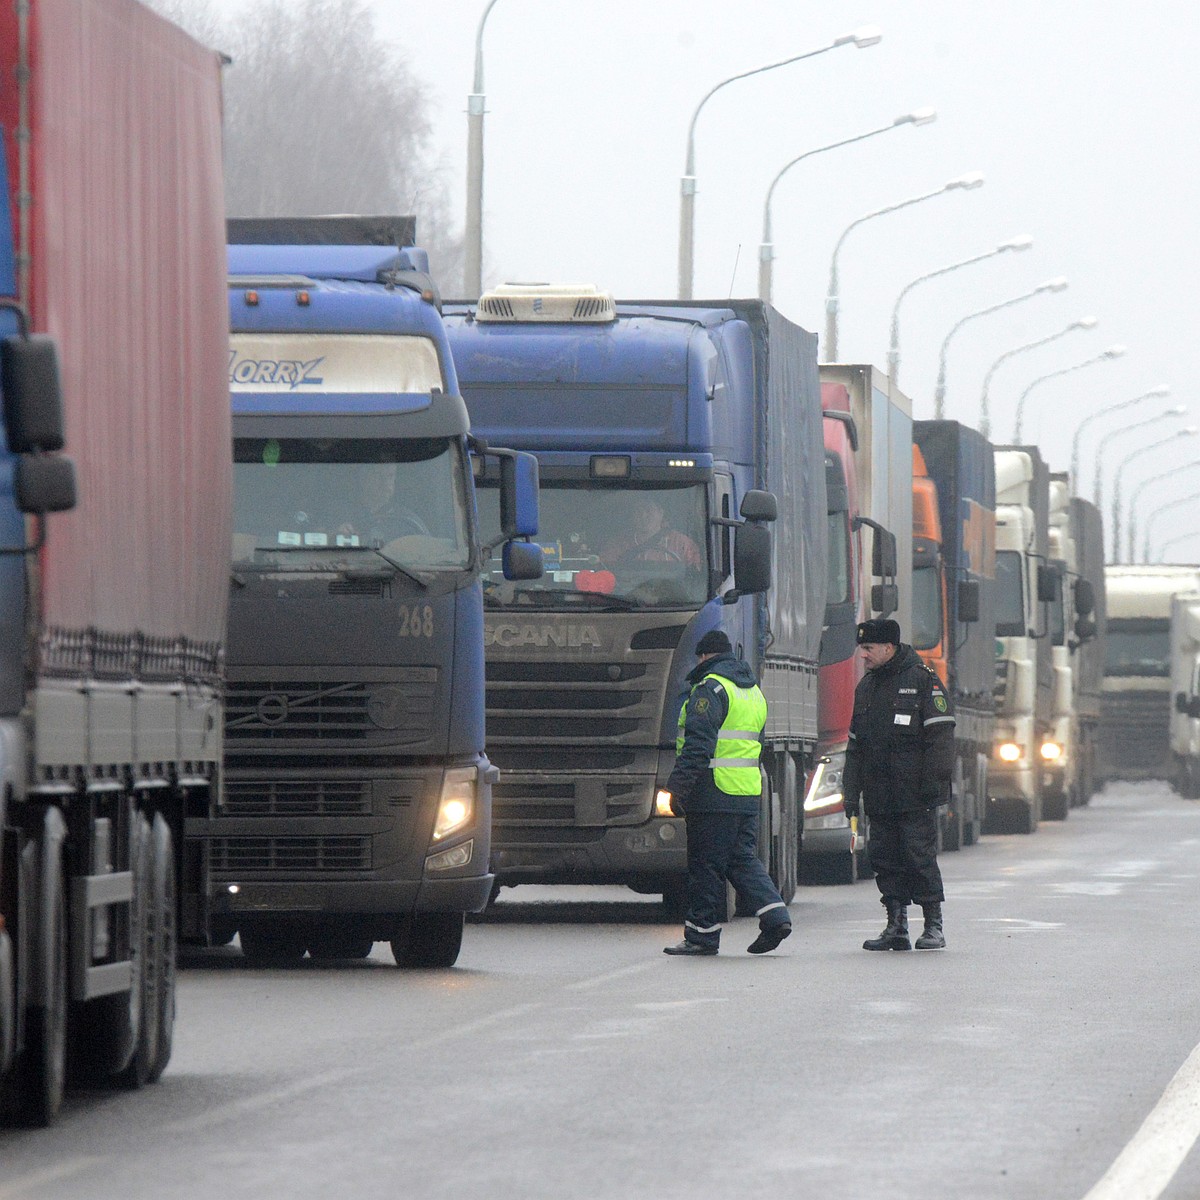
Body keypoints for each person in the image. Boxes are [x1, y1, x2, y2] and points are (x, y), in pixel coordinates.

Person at [661, 629, 792, 956]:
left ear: (704, 657)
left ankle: (701, 936)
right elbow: (757, 745)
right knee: (741, 858)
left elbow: (698, 746)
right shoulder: (752, 692)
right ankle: (775, 916)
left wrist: (677, 788)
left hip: (713, 792)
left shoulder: (711, 689)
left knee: (705, 865)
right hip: (747, 792)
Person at [843, 617, 956, 951]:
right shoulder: (866, 688)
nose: (863, 655)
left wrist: (934, 785)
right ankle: (896, 926)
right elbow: (855, 747)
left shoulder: (923, 681)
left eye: (868, 648)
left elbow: (941, 739)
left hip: (913, 794)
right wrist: (851, 793)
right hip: (879, 795)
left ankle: (933, 926)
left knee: (918, 857)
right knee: (885, 859)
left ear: (888, 648)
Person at [601, 494, 702, 570]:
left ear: (661, 513)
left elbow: (695, 575)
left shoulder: (681, 543)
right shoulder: (617, 544)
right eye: (638, 511)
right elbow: (605, 569)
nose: (643, 516)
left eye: (648, 510)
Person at [337, 462, 427, 546]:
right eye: (378, 475)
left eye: (390, 476)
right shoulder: (339, 514)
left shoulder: (409, 522)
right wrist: (337, 536)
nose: (385, 482)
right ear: (363, 478)